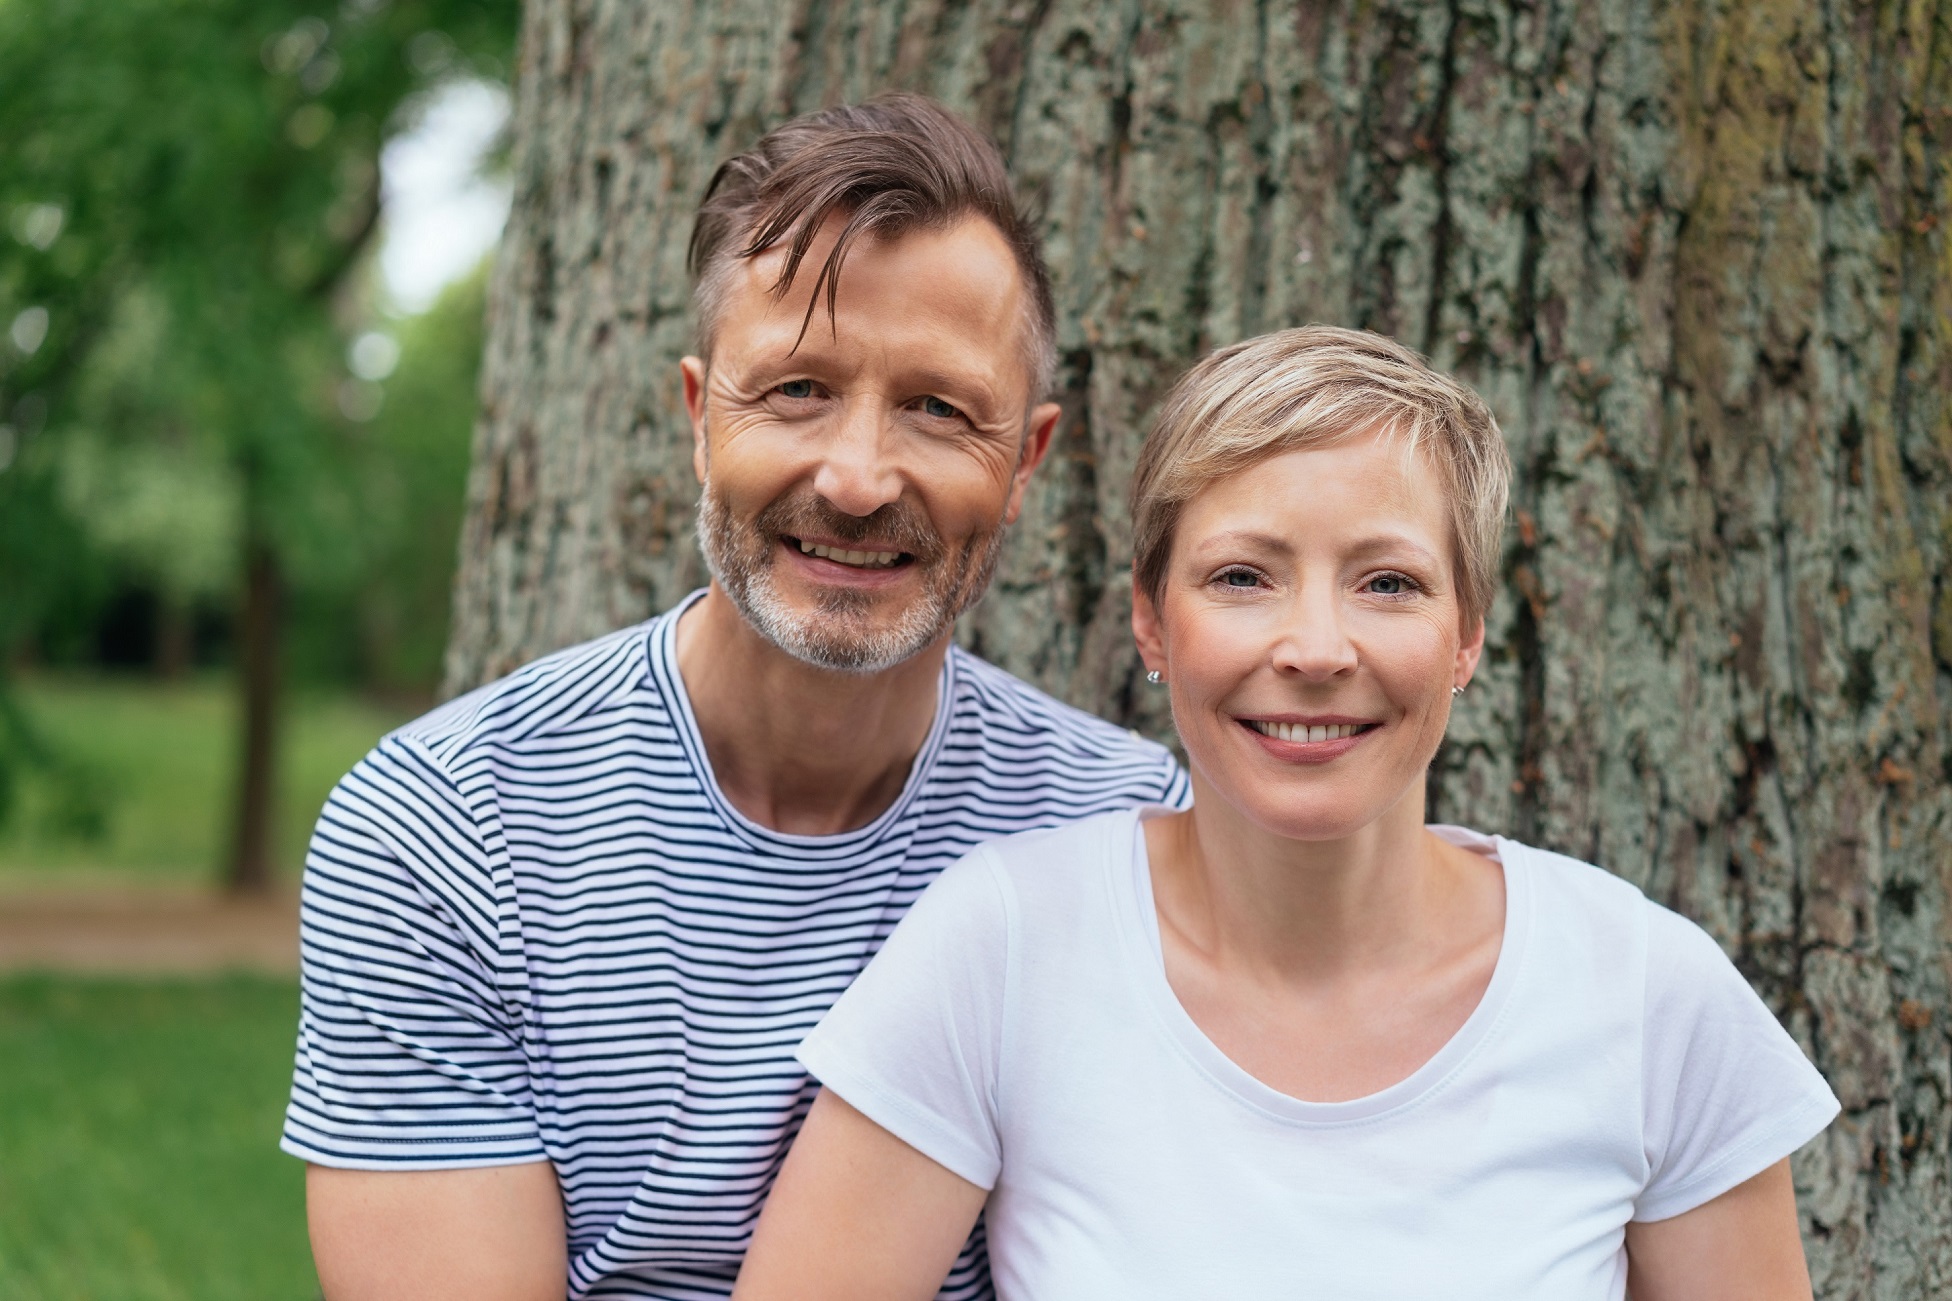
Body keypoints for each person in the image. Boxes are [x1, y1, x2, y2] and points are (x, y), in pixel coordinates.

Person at [284, 93, 1188, 1301]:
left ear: (1022, 461)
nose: (860, 478)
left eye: (936, 407)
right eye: (798, 389)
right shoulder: (443, 827)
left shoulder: (1127, 838)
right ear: (699, 418)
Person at [734, 326, 1841, 1301]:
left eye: (1388, 582)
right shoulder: (1008, 942)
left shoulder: (1648, 995)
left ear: (1467, 634)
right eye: (1241, 577)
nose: (1314, 648)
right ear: (1150, 624)